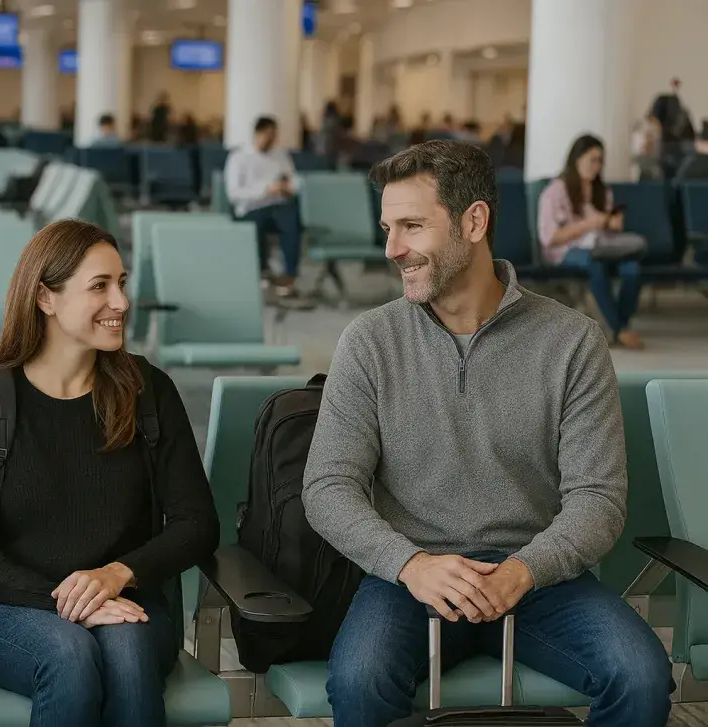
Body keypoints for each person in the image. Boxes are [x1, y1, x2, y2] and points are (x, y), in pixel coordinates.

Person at [302, 139, 672, 727]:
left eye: (412, 226)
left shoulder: (571, 342)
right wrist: (411, 564)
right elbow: (327, 486)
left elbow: (598, 499)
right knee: (358, 682)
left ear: (474, 221)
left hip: (539, 577)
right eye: (387, 227)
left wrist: (523, 571)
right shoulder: (370, 341)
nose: (392, 248)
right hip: (411, 576)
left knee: (643, 677)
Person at [0, 219, 220, 727]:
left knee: (127, 654)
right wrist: (69, 603)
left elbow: (196, 525)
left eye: (122, 283)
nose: (122, 302)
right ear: (46, 298)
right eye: (100, 286)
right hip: (5, 606)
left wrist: (115, 576)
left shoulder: (148, 392)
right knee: (69, 654)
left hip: (126, 601)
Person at [538, 134, 644, 349]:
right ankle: (620, 329)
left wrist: (611, 224)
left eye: (600, 161)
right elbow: (550, 238)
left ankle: (620, 324)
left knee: (632, 267)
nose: (596, 166)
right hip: (566, 251)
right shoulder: (555, 192)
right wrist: (590, 223)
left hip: (602, 247)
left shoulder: (602, 192)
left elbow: (605, 232)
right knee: (592, 262)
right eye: (592, 160)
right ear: (577, 160)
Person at [224, 116, 303, 297]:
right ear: (257, 133)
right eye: (267, 135)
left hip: (278, 205)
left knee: (292, 220)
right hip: (251, 208)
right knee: (256, 224)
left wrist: (288, 188)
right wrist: (266, 189)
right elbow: (234, 193)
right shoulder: (239, 157)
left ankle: (289, 276)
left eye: (274, 135)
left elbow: (293, 180)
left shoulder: (280, 155)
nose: (271, 140)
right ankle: (261, 272)